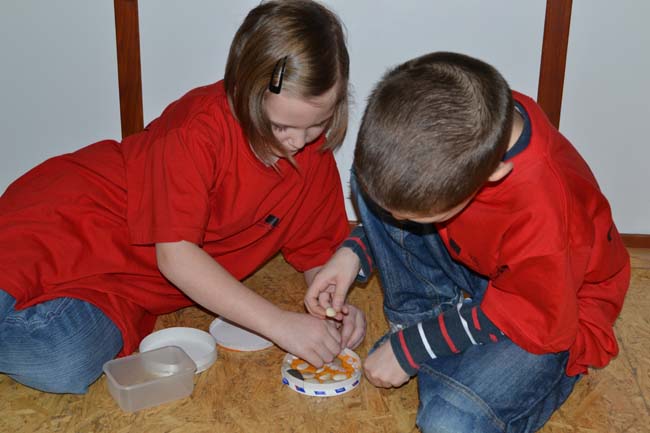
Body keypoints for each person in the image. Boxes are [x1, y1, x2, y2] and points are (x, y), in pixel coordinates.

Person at [0, 0, 365, 395]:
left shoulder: (312, 155)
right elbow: (176, 257)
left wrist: (332, 306)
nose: (298, 142)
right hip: (69, 223)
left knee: (61, 364)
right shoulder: (196, 130)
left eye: (316, 124)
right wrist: (279, 324)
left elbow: (316, 252)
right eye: (280, 126)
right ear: (241, 90)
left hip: (127, 287)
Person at [305, 51, 629, 433]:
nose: (399, 224)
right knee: (375, 178)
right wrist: (354, 253)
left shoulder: (543, 210)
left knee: (449, 422)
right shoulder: (477, 126)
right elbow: (400, 201)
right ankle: (444, 336)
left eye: (414, 218)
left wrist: (413, 348)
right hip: (487, 267)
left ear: (493, 174)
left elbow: (534, 316)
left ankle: (510, 363)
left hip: (553, 310)